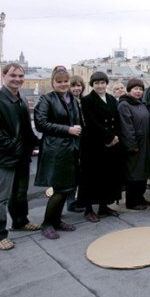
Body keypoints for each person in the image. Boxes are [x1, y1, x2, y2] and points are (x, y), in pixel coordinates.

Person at [0, 63, 40, 250]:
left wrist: (34, 145)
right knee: (0, 198)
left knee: (20, 193)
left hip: (22, 156)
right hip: (5, 157)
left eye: (21, 76)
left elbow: (25, 129)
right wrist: (12, 147)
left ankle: (20, 222)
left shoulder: (21, 99)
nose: (18, 79)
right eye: (13, 75)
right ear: (4, 76)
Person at [34, 66, 83, 240]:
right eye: (59, 82)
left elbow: (79, 123)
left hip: (71, 150)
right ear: (53, 83)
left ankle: (56, 221)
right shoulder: (47, 99)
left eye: (65, 81)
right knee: (60, 189)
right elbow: (40, 123)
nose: (63, 85)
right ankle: (47, 224)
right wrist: (67, 130)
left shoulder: (73, 100)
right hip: (56, 150)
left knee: (68, 187)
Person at [78, 71, 124, 223]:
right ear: (92, 85)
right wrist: (109, 137)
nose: (100, 86)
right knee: (91, 177)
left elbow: (117, 120)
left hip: (111, 143)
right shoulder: (87, 100)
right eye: (96, 83)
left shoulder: (111, 99)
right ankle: (89, 209)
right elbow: (91, 123)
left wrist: (116, 137)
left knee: (107, 176)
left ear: (106, 84)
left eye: (102, 82)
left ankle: (104, 206)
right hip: (94, 144)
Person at [118, 78, 150, 210]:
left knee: (143, 172)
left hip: (145, 144)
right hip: (134, 145)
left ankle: (140, 197)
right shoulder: (124, 105)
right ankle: (132, 201)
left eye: (140, 89)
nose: (138, 92)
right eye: (135, 89)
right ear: (129, 90)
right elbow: (127, 127)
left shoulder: (141, 104)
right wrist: (132, 145)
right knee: (133, 174)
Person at [66, 74, 86, 213]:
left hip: (83, 140)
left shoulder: (83, 101)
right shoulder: (67, 102)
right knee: (71, 174)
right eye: (73, 86)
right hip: (72, 141)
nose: (76, 88)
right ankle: (70, 201)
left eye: (79, 85)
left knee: (80, 173)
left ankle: (79, 199)